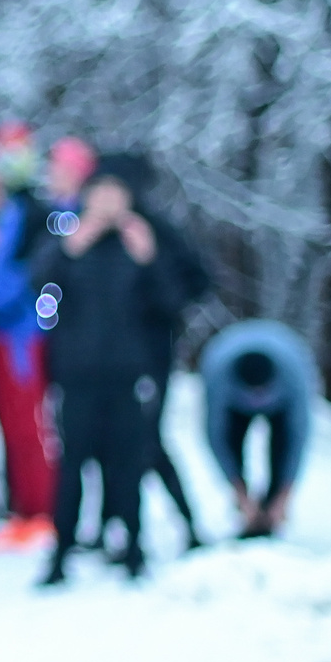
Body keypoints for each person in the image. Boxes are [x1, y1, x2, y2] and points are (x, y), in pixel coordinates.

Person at [31, 161, 188, 584]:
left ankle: (134, 548)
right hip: (76, 374)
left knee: (128, 464)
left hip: (128, 375)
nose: (107, 205)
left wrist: (150, 260)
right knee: (72, 465)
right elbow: (41, 298)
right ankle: (60, 553)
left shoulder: (141, 243)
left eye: (115, 197)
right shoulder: (66, 240)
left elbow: (171, 306)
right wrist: (67, 252)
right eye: (99, 196)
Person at [92, 151, 214, 551]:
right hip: (101, 360)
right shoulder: (87, 232)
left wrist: (150, 264)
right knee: (106, 443)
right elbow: (55, 294)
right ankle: (111, 527)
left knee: (145, 442)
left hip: (150, 356)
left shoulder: (158, 231)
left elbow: (189, 289)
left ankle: (178, 524)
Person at [0, 125, 58, 547]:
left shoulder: (36, 211)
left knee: (30, 426)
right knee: (10, 425)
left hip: (22, 336)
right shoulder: (6, 209)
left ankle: (41, 509)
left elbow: (31, 276)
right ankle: (24, 507)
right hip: (3, 334)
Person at [200, 320, 316, 537]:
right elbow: (216, 435)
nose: (257, 402)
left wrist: (284, 495)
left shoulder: (295, 375)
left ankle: (271, 511)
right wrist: (239, 492)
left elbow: (297, 436)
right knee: (233, 441)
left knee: (281, 447)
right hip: (233, 397)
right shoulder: (218, 375)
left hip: (283, 389)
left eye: (262, 394)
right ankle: (248, 510)